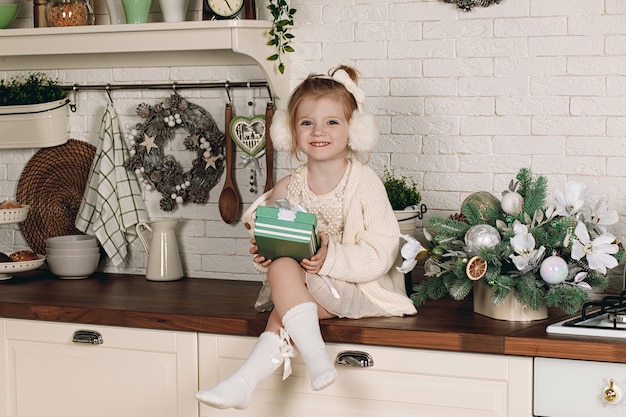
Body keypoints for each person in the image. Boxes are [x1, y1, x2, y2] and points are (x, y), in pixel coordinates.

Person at [195, 65, 417, 410]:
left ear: (353, 130)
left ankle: (253, 377)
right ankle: (291, 366)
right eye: (306, 122)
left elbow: (382, 251)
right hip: (308, 287)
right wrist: (265, 252)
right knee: (281, 266)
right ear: (291, 132)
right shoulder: (288, 187)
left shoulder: (364, 182)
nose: (319, 131)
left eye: (332, 122)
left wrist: (329, 258)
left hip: (359, 286)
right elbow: (272, 243)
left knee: (284, 300)